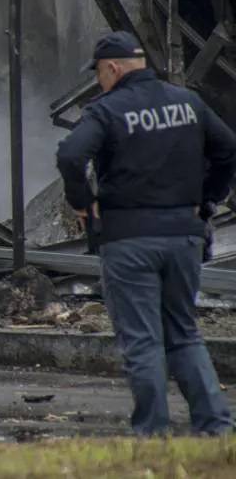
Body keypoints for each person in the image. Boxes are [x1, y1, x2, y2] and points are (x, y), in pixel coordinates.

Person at [56, 31, 236, 436]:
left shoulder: (107, 110)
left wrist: (83, 202)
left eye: (101, 74)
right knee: (184, 334)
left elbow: (70, 155)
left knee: (142, 340)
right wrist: (206, 201)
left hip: (129, 240)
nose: (100, 82)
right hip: (184, 237)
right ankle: (216, 427)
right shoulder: (187, 102)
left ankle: (152, 436)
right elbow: (228, 150)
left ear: (113, 69)